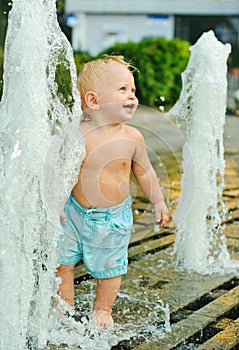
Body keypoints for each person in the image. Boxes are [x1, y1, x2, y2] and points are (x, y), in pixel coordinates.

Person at [57, 55, 169, 328]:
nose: (132, 95)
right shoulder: (76, 133)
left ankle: (103, 310)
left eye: (132, 89)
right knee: (62, 263)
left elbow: (144, 172)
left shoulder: (132, 138)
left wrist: (158, 201)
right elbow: (58, 171)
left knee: (109, 269)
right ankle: (62, 308)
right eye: (122, 90)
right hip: (73, 212)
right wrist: (55, 202)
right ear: (93, 101)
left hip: (112, 218)